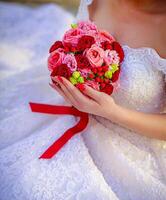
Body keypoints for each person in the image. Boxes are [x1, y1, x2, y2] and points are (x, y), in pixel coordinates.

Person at [0, 0, 166, 199]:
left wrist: (112, 112)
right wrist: (67, 71)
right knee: (19, 173)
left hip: (133, 143)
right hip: (69, 114)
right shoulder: (96, 2)